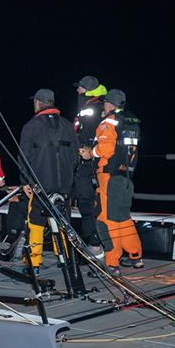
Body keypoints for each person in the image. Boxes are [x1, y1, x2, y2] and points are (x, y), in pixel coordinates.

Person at [18, 88, 79, 271]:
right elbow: (75, 157)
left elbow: (23, 158)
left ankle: (33, 262)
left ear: (38, 103)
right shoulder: (68, 125)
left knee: (35, 222)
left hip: (40, 186)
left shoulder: (31, 126)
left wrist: (26, 182)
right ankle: (65, 259)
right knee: (62, 221)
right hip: (65, 186)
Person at [92, 89, 143, 273]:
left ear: (110, 105)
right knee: (123, 217)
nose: (103, 106)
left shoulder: (108, 122)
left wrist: (90, 153)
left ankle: (112, 262)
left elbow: (105, 150)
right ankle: (135, 255)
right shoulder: (132, 122)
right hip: (127, 177)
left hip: (110, 176)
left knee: (107, 219)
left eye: (105, 103)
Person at [72, 75, 107, 252]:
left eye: (80, 88)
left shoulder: (94, 107)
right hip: (82, 160)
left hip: (89, 162)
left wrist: (88, 151)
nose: (77, 90)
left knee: (88, 204)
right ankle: (88, 244)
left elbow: (89, 133)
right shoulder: (88, 105)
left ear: (87, 89)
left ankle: (93, 246)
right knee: (83, 202)